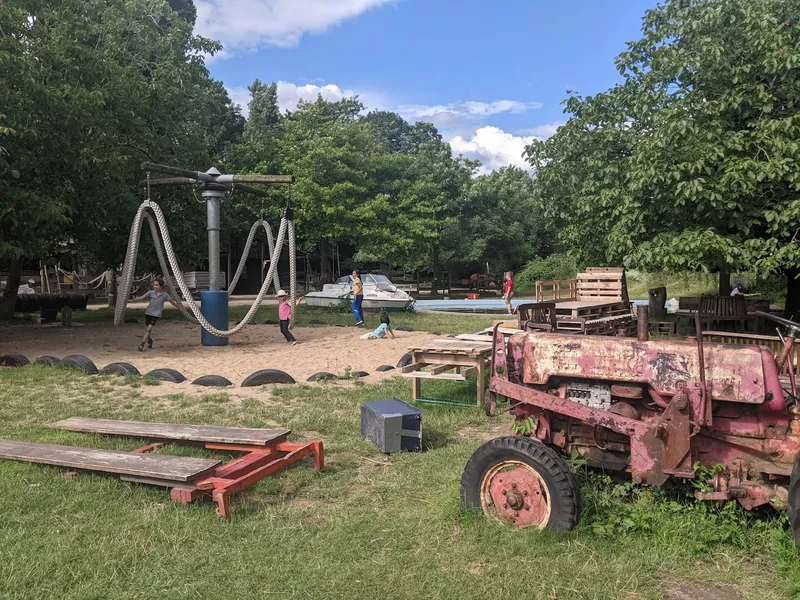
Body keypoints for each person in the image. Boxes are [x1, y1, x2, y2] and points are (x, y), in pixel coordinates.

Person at [134, 278, 168, 351]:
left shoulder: (165, 295)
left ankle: (141, 345)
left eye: (157, 285)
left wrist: (179, 307)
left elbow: (171, 301)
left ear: (161, 286)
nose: (155, 287)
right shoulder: (151, 292)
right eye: (154, 285)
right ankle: (150, 340)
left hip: (156, 314)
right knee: (148, 330)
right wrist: (132, 300)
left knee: (149, 329)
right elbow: (142, 297)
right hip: (148, 312)